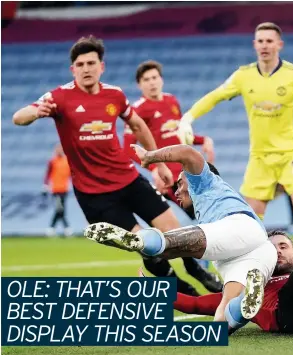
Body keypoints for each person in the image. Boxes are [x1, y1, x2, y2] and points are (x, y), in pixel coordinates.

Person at [11, 35, 201, 296]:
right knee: (144, 242)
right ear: (73, 69)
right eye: (80, 64)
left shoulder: (115, 95)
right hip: (95, 194)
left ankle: (197, 271)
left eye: (91, 63)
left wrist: (157, 162)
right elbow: (18, 117)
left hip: (129, 179)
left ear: (102, 66)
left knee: (176, 231)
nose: (86, 69)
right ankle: (179, 286)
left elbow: (137, 125)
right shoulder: (59, 96)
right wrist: (34, 112)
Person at [177, 22, 293, 262]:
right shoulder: (243, 76)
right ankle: (255, 270)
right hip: (259, 159)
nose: (264, 46)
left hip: (291, 155)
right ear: (254, 45)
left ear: (279, 44)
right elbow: (214, 96)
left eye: (269, 41)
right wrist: (188, 118)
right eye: (260, 41)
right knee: (251, 225)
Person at [84, 143, 278, 330]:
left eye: (180, 183)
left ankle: (138, 240)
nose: (176, 191)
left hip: (239, 230)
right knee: (222, 318)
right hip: (257, 251)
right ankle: (244, 305)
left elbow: (187, 152)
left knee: (173, 242)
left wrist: (150, 157)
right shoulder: (212, 202)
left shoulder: (204, 182)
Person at [124, 60, 219, 279]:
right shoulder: (138, 110)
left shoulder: (171, 101)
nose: (151, 83)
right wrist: (156, 168)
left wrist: (203, 140)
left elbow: (177, 136)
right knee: (203, 215)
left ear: (161, 79)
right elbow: (129, 147)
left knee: (209, 216)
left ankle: (203, 258)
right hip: (169, 179)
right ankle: (201, 262)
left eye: (154, 78)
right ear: (140, 85)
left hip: (188, 174)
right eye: (146, 80)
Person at [43, 143, 72, 237]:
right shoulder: (52, 161)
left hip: (64, 189)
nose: (59, 151)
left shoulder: (67, 161)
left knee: (61, 209)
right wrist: (45, 185)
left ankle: (53, 228)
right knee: (59, 209)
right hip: (55, 189)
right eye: (57, 149)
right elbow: (48, 174)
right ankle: (65, 228)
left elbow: (71, 174)